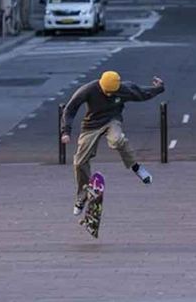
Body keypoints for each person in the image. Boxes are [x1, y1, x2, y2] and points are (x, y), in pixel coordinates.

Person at [61, 71, 165, 215]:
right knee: (79, 162)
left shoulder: (124, 89)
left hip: (112, 121)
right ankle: (82, 196)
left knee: (117, 140)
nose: (109, 95)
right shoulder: (88, 89)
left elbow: (142, 93)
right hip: (91, 126)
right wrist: (66, 131)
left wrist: (159, 88)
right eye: (106, 92)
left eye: (112, 92)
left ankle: (136, 168)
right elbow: (70, 108)